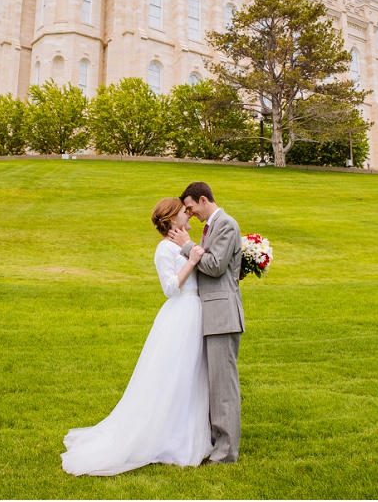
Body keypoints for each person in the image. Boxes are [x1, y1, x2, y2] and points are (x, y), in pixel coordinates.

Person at [61, 199, 213, 476]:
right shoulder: (165, 249)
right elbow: (170, 288)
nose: (188, 214)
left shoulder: (185, 243)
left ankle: (189, 435)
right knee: (176, 375)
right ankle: (170, 439)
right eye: (183, 212)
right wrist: (191, 260)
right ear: (172, 220)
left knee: (193, 375)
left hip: (196, 312)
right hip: (181, 314)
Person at [179, 181, 244, 464]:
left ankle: (226, 452)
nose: (191, 214)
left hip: (222, 316)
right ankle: (214, 443)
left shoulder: (226, 224)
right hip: (212, 315)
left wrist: (187, 247)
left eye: (191, 208)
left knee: (223, 386)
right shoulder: (212, 227)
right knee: (213, 384)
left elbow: (216, 266)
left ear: (203, 199)